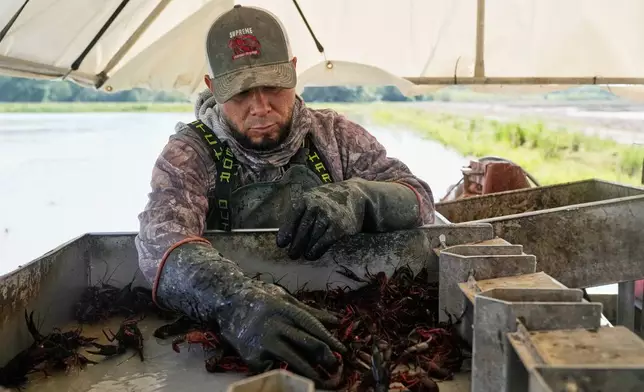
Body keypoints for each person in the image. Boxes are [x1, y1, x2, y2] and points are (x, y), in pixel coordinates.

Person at [135, 4, 435, 385]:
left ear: (293, 72)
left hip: (337, 303)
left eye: (274, 87)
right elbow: (160, 245)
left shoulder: (336, 137)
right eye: (241, 92)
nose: (261, 108)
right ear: (213, 88)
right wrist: (234, 302)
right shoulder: (190, 153)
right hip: (243, 326)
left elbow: (421, 200)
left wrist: (361, 198)